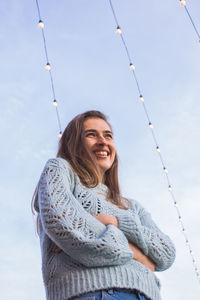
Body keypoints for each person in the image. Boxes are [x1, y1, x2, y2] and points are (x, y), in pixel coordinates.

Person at [33, 110, 175, 300]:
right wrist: (140, 255)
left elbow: (166, 253)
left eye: (108, 135)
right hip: (95, 293)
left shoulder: (131, 206)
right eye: (91, 134)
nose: (103, 141)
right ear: (73, 143)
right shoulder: (59, 170)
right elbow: (69, 231)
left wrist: (114, 222)